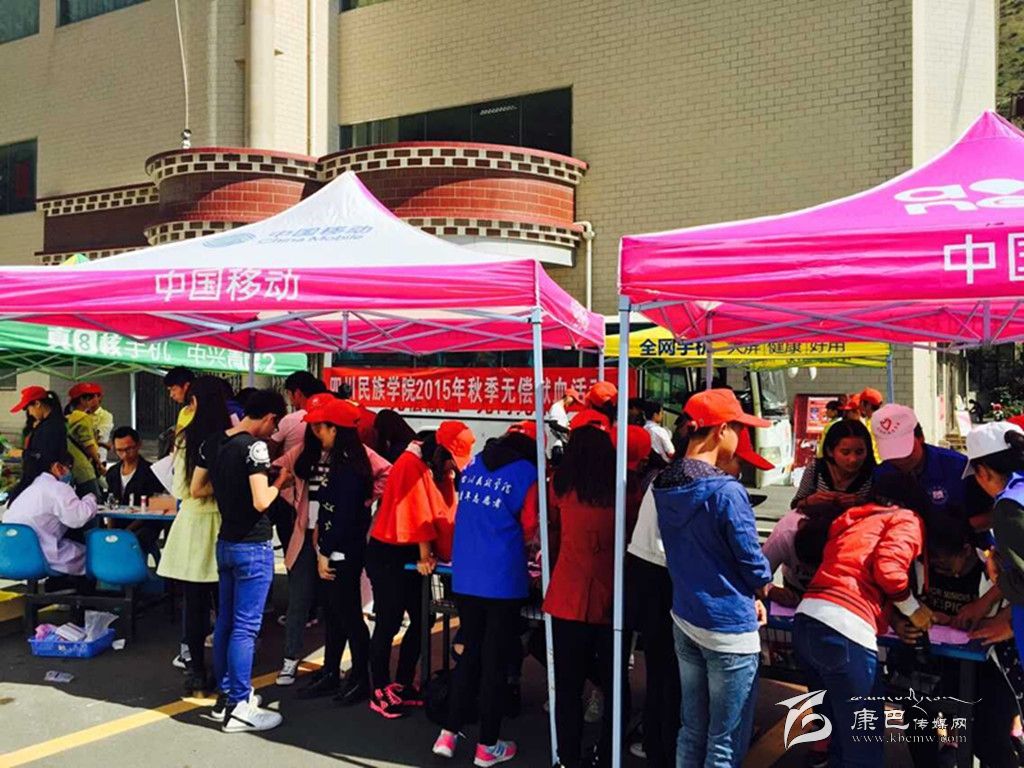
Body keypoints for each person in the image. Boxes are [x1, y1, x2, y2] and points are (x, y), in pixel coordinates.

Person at [653, 388, 771, 768]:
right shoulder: (727, 491)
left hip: (686, 616)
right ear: (721, 430)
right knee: (725, 742)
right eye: (739, 428)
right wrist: (760, 586)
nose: (741, 438)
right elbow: (753, 563)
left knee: (692, 729)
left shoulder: (664, 482)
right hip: (728, 626)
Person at [792, 475, 933, 768]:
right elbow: (888, 570)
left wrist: (893, 619)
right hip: (846, 632)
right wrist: (913, 609)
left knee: (838, 739)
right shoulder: (905, 519)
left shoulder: (853, 521)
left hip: (807, 624)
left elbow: (859, 574)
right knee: (863, 748)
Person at [432, 421, 540, 766]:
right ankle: (487, 746)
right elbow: (532, 527)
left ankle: (448, 733)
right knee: (494, 663)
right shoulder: (528, 474)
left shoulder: (476, 464)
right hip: (503, 579)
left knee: (469, 653)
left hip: (465, 576)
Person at [887, 507, 1023, 768]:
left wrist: (974, 620)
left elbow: (1010, 615)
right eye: (934, 564)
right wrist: (905, 621)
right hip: (934, 665)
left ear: (966, 550)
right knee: (918, 716)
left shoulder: (990, 571)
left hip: (987, 670)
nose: (941, 570)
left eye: (946, 564)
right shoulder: (921, 568)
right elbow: (896, 602)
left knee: (987, 736)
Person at [191, 388, 289, 733]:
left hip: (226, 543)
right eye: (274, 425)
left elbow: (196, 489)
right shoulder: (255, 447)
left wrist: (230, 488)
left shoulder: (214, 442)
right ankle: (240, 705)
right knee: (246, 627)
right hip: (253, 546)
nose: (272, 431)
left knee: (225, 623)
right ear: (270, 417)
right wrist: (280, 481)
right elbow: (262, 501)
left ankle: (226, 698)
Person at [365, 420, 474, 718]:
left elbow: (444, 511)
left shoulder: (435, 468)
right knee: (388, 621)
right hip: (389, 552)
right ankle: (379, 689)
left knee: (424, 618)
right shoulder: (409, 464)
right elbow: (416, 514)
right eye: (452, 461)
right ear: (441, 452)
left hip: (411, 552)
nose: (453, 468)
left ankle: (403, 682)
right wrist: (427, 555)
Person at [543, 413, 622, 768]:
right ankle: (607, 754)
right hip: (610, 599)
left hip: (567, 597)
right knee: (615, 685)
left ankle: (567, 757)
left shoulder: (560, 488)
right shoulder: (622, 490)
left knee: (567, 686)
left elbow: (550, 531)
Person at [300, 398, 391, 705]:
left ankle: (360, 678)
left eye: (321, 428)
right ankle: (331, 671)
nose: (317, 434)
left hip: (342, 551)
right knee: (335, 614)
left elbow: (343, 516)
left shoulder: (350, 467)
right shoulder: (342, 461)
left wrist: (324, 551)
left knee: (349, 615)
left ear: (335, 430)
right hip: (335, 546)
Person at [157, 376, 231, 695]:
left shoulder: (187, 438)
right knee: (226, 606)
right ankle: (226, 672)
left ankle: (196, 672)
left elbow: (180, 489)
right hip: (225, 526)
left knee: (195, 605)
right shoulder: (230, 437)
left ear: (196, 402)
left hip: (193, 526)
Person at [272, 392, 340, 688]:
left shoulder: (353, 453)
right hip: (305, 536)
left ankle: (333, 665)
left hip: (336, 538)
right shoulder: (302, 451)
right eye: (312, 425)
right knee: (298, 601)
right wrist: (293, 495)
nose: (315, 431)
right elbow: (277, 470)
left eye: (321, 425)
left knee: (337, 604)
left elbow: (383, 475)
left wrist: (358, 503)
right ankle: (290, 659)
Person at [872, 403, 989, 528]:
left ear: (921, 437)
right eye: (891, 450)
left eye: (903, 448)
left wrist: (961, 528)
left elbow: (992, 513)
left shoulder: (959, 467)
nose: (899, 458)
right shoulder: (881, 474)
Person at [4, 452, 97, 581]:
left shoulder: (29, 489)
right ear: (58, 467)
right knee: (92, 555)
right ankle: (85, 591)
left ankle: (56, 586)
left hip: (9, 556)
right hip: (42, 555)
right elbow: (78, 518)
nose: (70, 473)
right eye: (69, 467)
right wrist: (90, 499)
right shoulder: (57, 488)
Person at [105, 426, 169, 560]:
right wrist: (111, 531)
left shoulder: (152, 472)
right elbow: (111, 504)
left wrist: (127, 531)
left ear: (139, 445)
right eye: (120, 450)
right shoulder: (112, 473)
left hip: (146, 524)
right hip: (120, 522)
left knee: (136, 539)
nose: (125, 454)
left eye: (129, 449)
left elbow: (155, 507)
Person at [791, 418, 875, 509]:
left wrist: (862, 503)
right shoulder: (815, 469)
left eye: (859, 452)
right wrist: (809, 501)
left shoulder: (875, 474)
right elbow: (796, 504)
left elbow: (883, 508)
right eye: (845, 452)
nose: (853, 459)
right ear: (830, 451)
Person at [7, 386, 66, 504]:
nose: (29, 413)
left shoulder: (51, 427)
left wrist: (22, 453)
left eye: (28, 408)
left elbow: (44, 455)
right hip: (40, 481)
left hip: (40, 480)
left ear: (37, 404)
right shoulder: (50, 423)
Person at [272, 371, 328, 458]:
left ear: (297, 393)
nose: (289, 400)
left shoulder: (290, 420)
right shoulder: (327, 416)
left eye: (289, 394)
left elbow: (271, 448)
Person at [64, 382, 104, 499]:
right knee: (93, 501)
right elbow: (89, 445)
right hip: (83, 468)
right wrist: (99, 463)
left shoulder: (67, 418)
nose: (93, 401)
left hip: (70, 466)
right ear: (82, 400)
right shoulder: (83, 418)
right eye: (90, 398)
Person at [546, 387, 580, 456]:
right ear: (568, 396)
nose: (573, 403)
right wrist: (567, 430)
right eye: (573, 400)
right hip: (556, 445)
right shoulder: (556, 407)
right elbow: (553, 424)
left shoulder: (561, 409)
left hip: (561, 444)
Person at [165, 366, 196, 433]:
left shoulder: (204, 412)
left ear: (186, 386)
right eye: (170, 390)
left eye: (174, 389)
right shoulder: (183, 412)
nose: (171, 395)